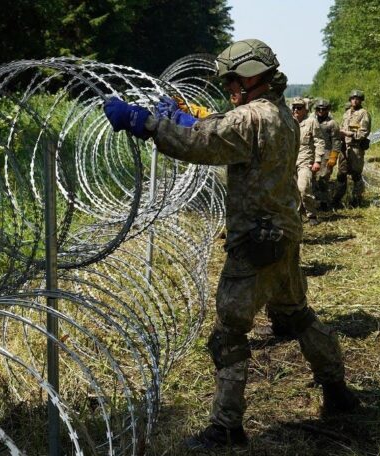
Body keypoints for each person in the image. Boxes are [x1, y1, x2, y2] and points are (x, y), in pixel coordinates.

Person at [103, 39, 357, 449]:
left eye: (233, 79)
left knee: (229, 334)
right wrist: (184, 119)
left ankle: (226, 428)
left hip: (254, 242)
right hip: (284, 234)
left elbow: (204, 143)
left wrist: (147, 124)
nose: (229, 87)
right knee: (297, 315)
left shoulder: (251, 117)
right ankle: (338, 391)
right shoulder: (279, 114)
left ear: (253, 75)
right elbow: (218, 128)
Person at [333, 90, 371, 208]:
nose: (355, 100)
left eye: (357, 99)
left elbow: (363, 132)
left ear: (361, 100)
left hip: (356, 149)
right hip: (344, 148)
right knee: (341, 174)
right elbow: (341, 127)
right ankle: (337, 199)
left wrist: (348, 134)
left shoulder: (364, 113)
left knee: (356, 175)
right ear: (350, 100)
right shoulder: (347, 113)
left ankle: (356, 200)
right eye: (353, 98)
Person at [291, 97, 326, 225]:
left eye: (299, 107)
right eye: (294, 107)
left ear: (305, 109)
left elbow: (319, 141)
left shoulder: (311, 122)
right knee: (292, 191)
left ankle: (311, 214)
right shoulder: (289, 122)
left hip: (305, 160)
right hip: (290, 161)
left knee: (304, 187)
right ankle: (297, 215)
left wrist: (318, 160)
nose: (295, 110)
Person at [314, 98, 342, 211]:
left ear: (327, 110)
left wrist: (333, 157)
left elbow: (336, 141)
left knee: (323, 179)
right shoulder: (312, 121)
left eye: (323, 109)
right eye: (318, 109)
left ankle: (324, 202)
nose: (321, 111)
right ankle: (315, 200)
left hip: (326, 153)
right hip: (314, 152)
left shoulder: (332, 124)